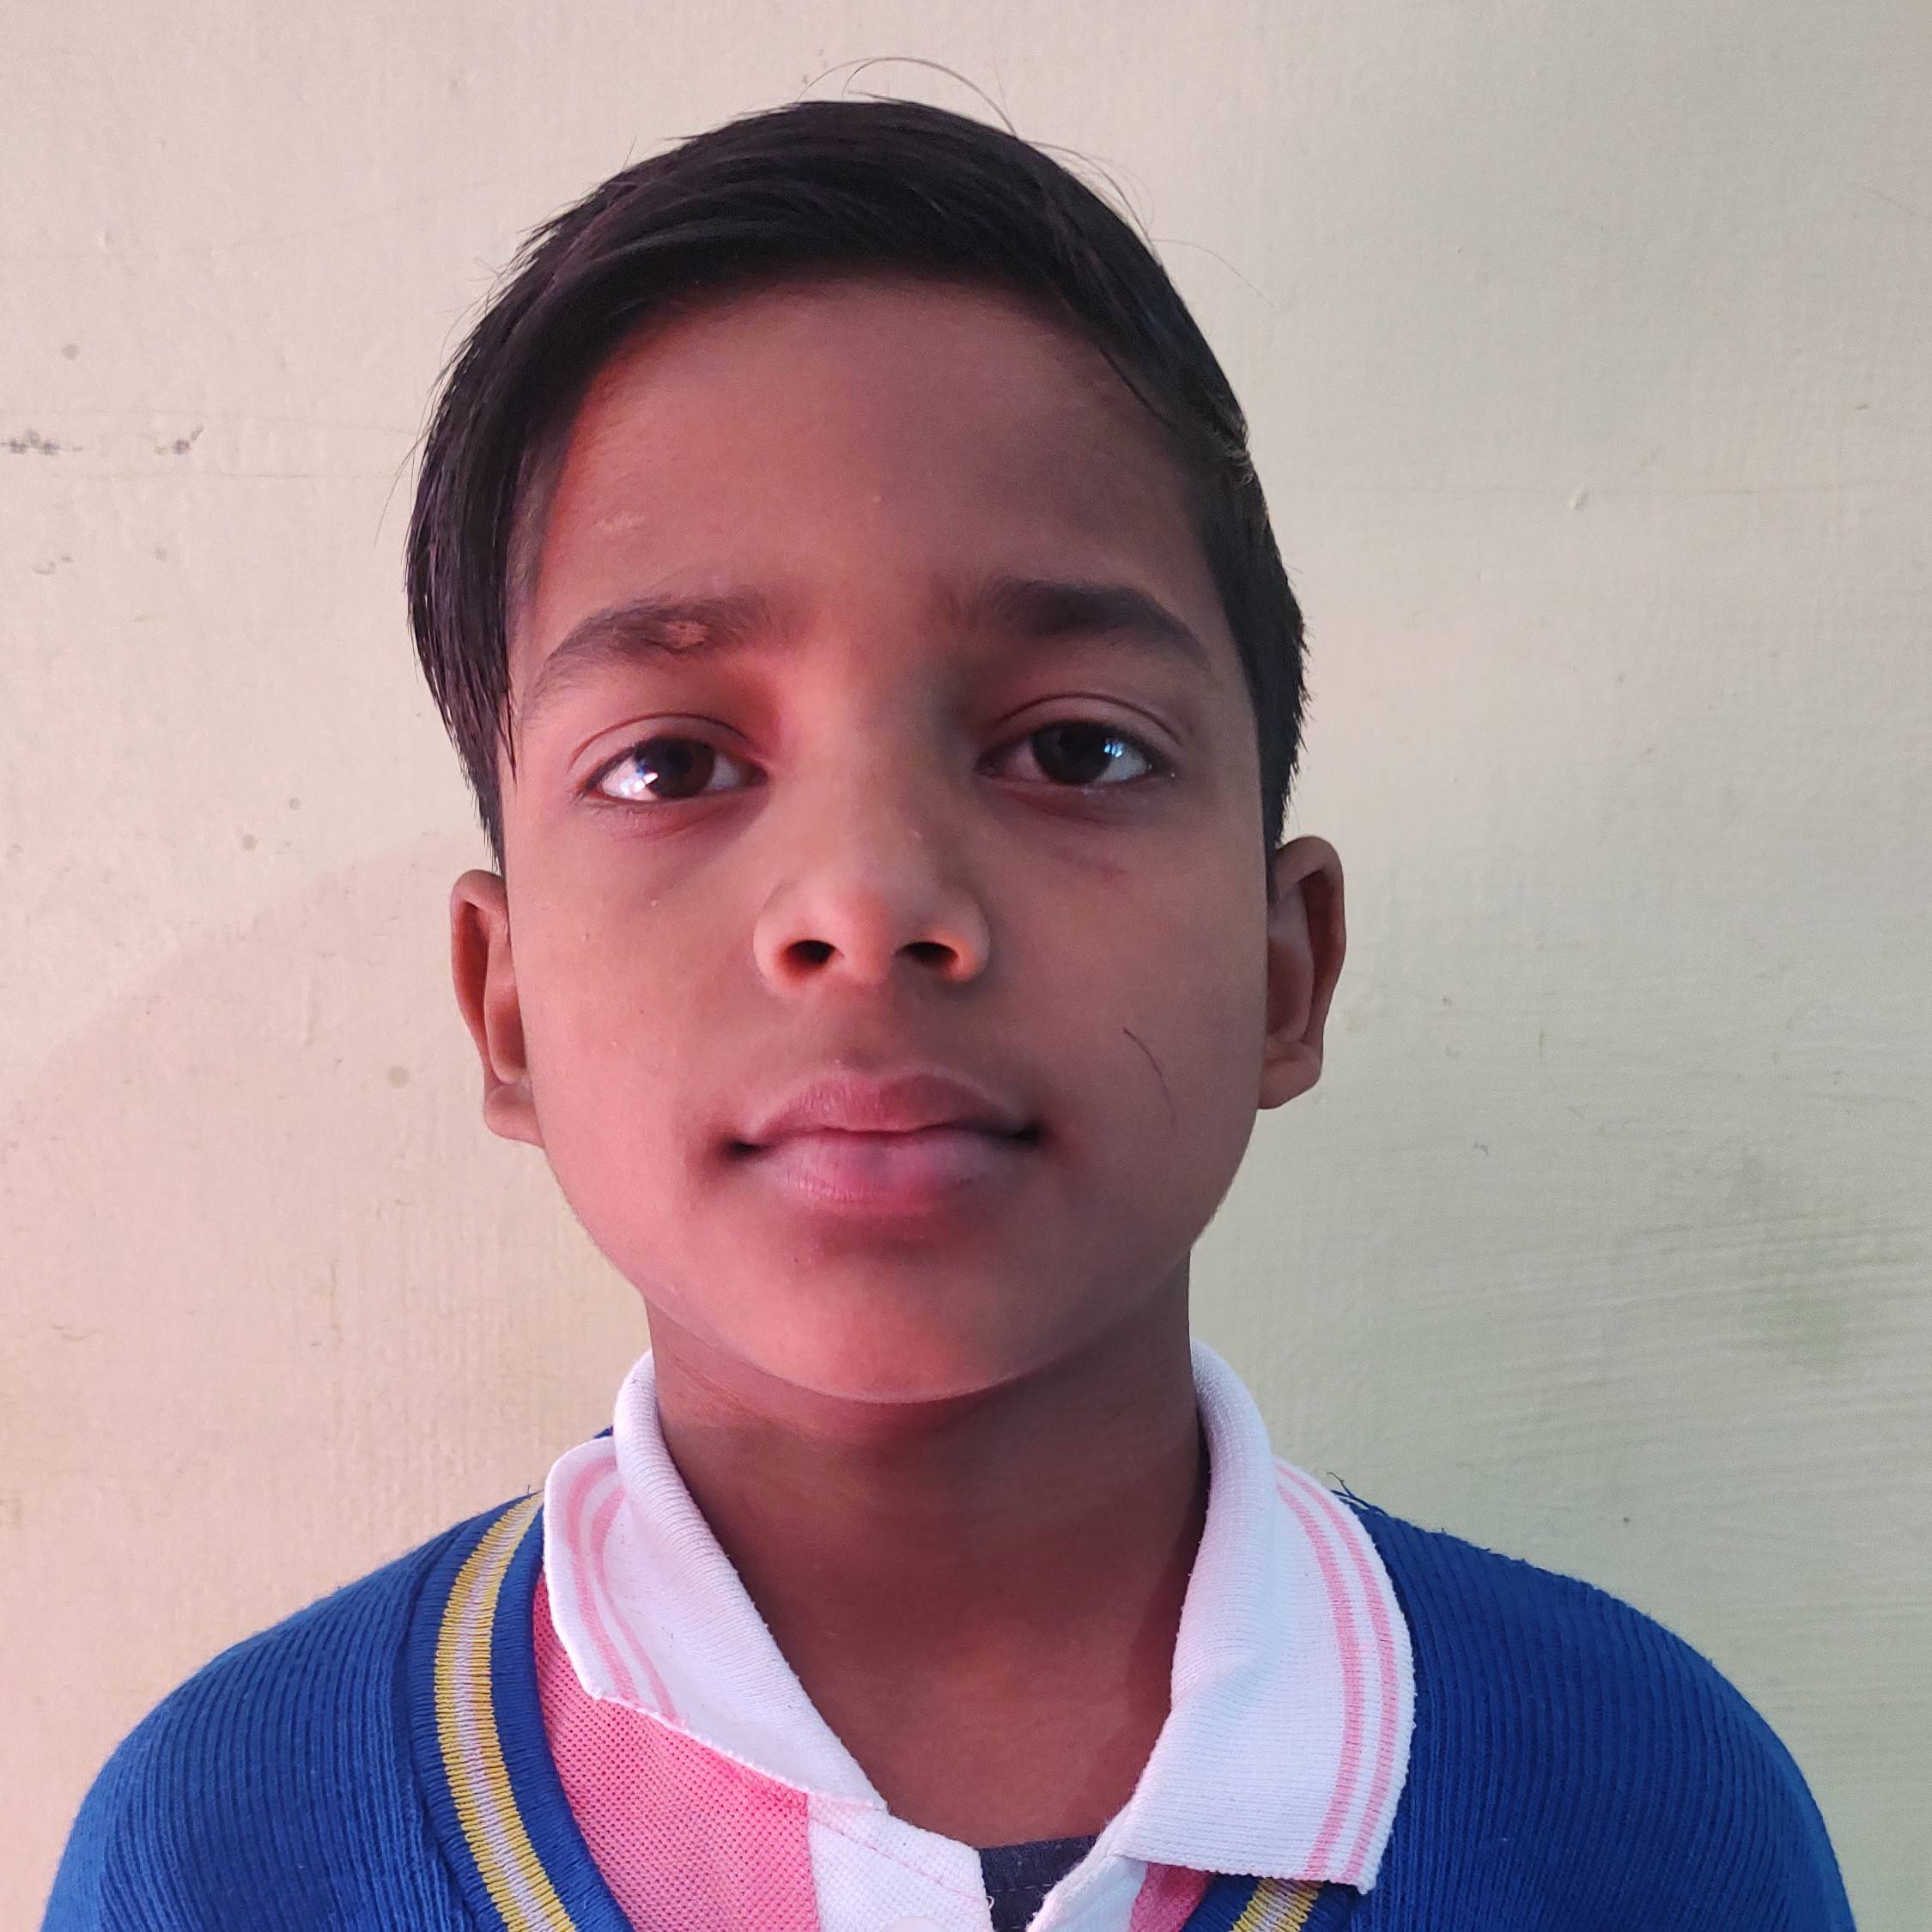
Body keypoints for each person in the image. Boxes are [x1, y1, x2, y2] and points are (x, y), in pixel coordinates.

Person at [43, 96, 1854, 1932]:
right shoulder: (224, 1848)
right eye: (675, 765)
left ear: (1286, 964)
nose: (869, 901)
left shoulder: (1647, 1815)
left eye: (1075, 750)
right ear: (503, 1008)